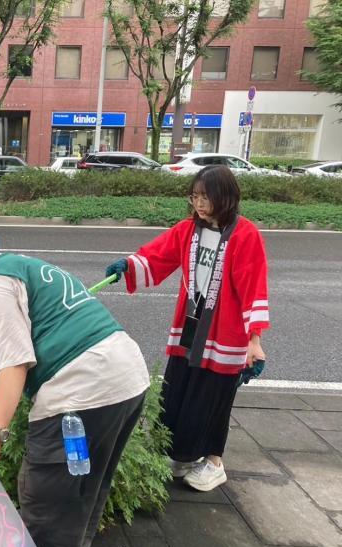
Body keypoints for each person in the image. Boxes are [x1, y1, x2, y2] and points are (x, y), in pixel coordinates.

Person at [0, 232, 150, 547]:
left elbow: (14, 364)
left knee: (46, 506)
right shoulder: (22, 266)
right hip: (125, 382)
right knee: (83, 497)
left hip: (81, 394)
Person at [105, 165, 269, 492]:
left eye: (205, 197)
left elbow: (254, 286)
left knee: (213, 397)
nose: (199, 204)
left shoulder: (245, 234)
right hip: (189, 327)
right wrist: (128, 266)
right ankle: (179, 455)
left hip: (225, 334)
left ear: (225, 196)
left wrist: (254, 342)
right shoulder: (187, 230)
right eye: (194, 196)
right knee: (178, 392)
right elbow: (157, 257)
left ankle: (214, 463)